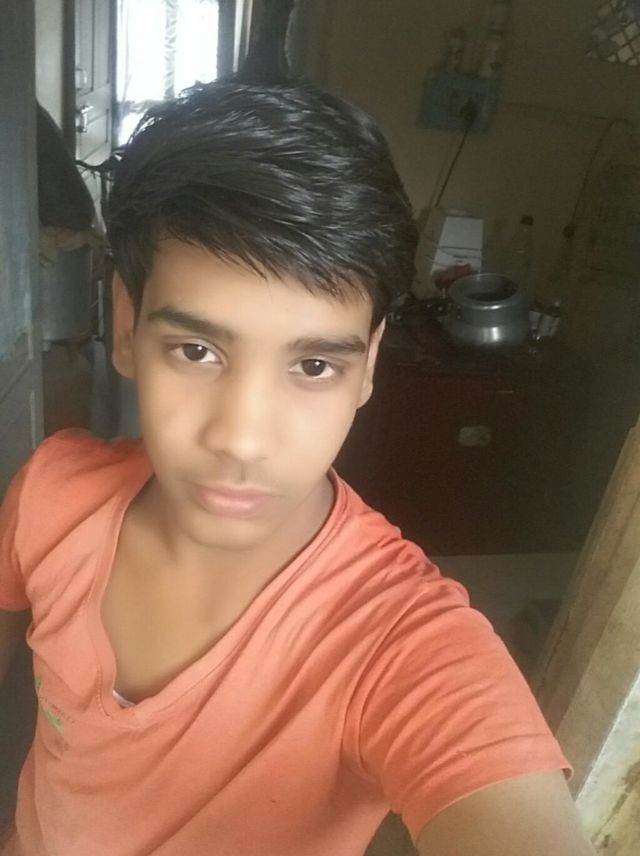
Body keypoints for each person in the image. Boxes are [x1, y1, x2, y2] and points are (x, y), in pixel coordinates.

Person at [0, 79, 594, 856]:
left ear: (368, 364)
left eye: (313, 365)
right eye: (196, 351)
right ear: (126, 323)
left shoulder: (397, 640)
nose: (243, 440)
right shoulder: (52, 495)